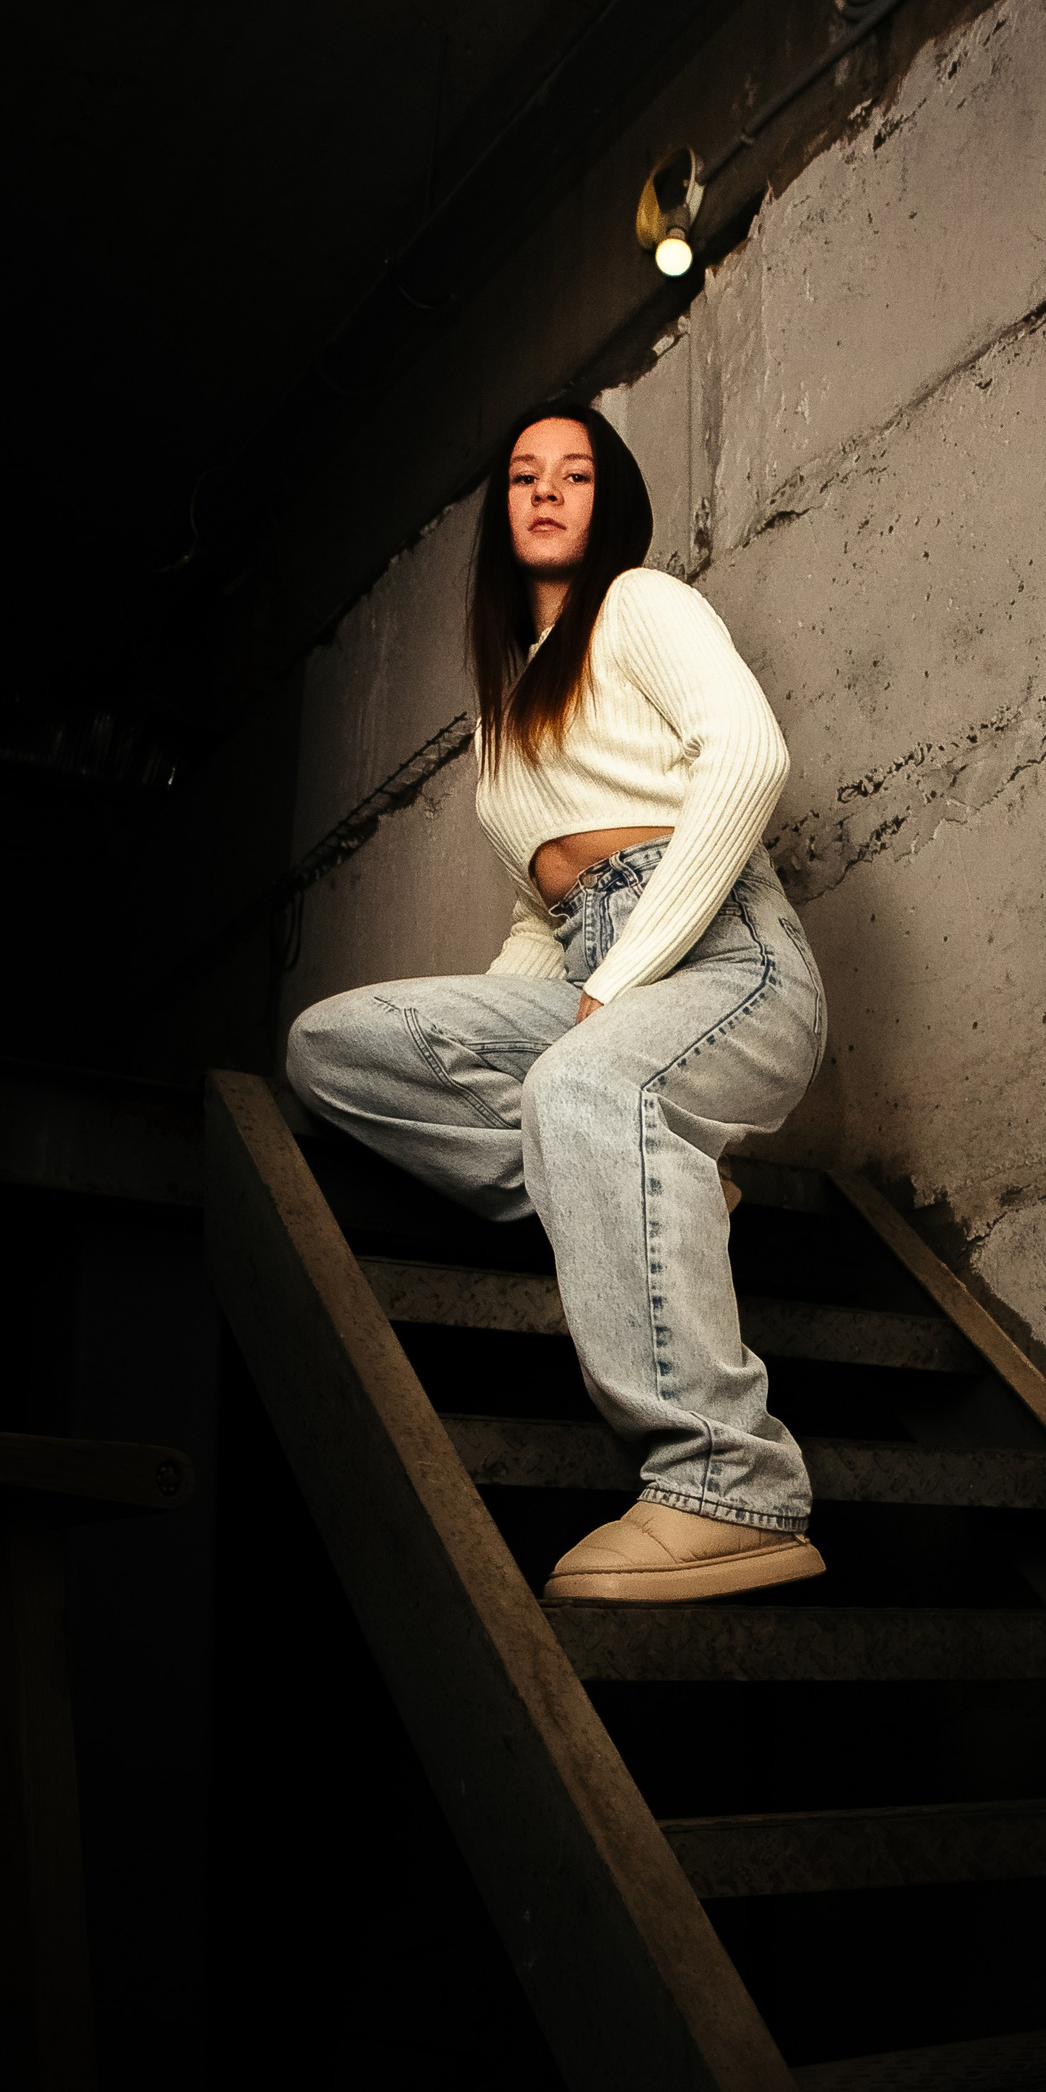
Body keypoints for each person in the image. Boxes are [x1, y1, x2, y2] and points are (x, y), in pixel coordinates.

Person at [285, 398, 829, 1605]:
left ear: (607, 501)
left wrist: (620, 984)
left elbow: (749, 758)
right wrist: (510, 1049)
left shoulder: (640, 603)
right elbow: (541, 924)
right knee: (336, 1046)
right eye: (525, 474)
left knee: (583, 1081)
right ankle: (636, 1172)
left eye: (574, 473)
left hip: (727, 955)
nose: (544, 490)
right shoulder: (500, 719)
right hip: (592, 964)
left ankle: (732, 1481)